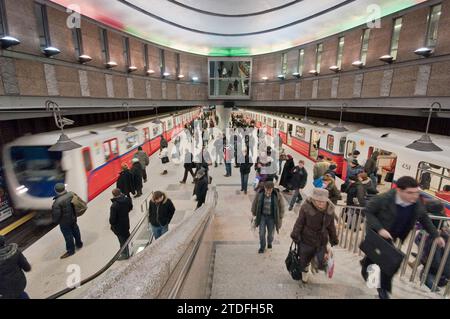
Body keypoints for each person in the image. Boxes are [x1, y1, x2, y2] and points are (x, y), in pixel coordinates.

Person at [361, 176, 445, 299]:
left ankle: (383, 291)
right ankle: (368, 268)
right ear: (399, 190)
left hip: (393, 237)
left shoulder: (416, 202)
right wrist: (380, 229)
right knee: (376, 261)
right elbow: (368, 211)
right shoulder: (383, 198)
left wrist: (436, 235)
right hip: (378, 235)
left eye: (416, 192)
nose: (414, 196)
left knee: (391, 263)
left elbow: (424, 218)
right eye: (410, 193)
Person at [290, 188, 338, 283]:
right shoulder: (306, 207)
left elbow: (331, 226)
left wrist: (334, 238)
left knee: (320, 262)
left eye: (322, 201)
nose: (320, 203)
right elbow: (300, 222)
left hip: (321, 240)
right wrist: (295, 234)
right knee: (303, 260)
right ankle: (305, 273)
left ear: (326, 200)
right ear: (313, 199)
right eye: (318, 201)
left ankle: (315, 263)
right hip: (306, 239)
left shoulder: (330, 210)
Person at [251, 181, 285, 254]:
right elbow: (255, 203)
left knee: (270, 234)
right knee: (261, 233)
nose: (268, 191)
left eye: (270, 189)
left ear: (273, 189)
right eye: (267, 189)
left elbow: (282, 206)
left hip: (272, 217)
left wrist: (280, 216)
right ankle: (262, 247)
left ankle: (269, 242)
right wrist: (253, 212)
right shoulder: (260, 193)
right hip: (262, 216)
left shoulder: (277, 195)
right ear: (264, 188)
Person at [52, 183, 83, 259]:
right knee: (76, 230)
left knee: (68, 236)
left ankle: (71, 251)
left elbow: (56, 215)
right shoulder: (71, 194)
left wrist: (55, 220)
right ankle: (79, 244)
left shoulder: (57, 202)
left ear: (56, 191)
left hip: (64, 222)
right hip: (73, 217)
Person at [109, 189, 133, 260]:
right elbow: (130, 207)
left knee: (122, 241)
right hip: (126, 223)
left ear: (113, 195)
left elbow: (112, 220)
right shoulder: (127, 199)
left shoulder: (114, 206)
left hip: (118, 227)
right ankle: (130, 249)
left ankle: (124, 254)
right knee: (127, 236)